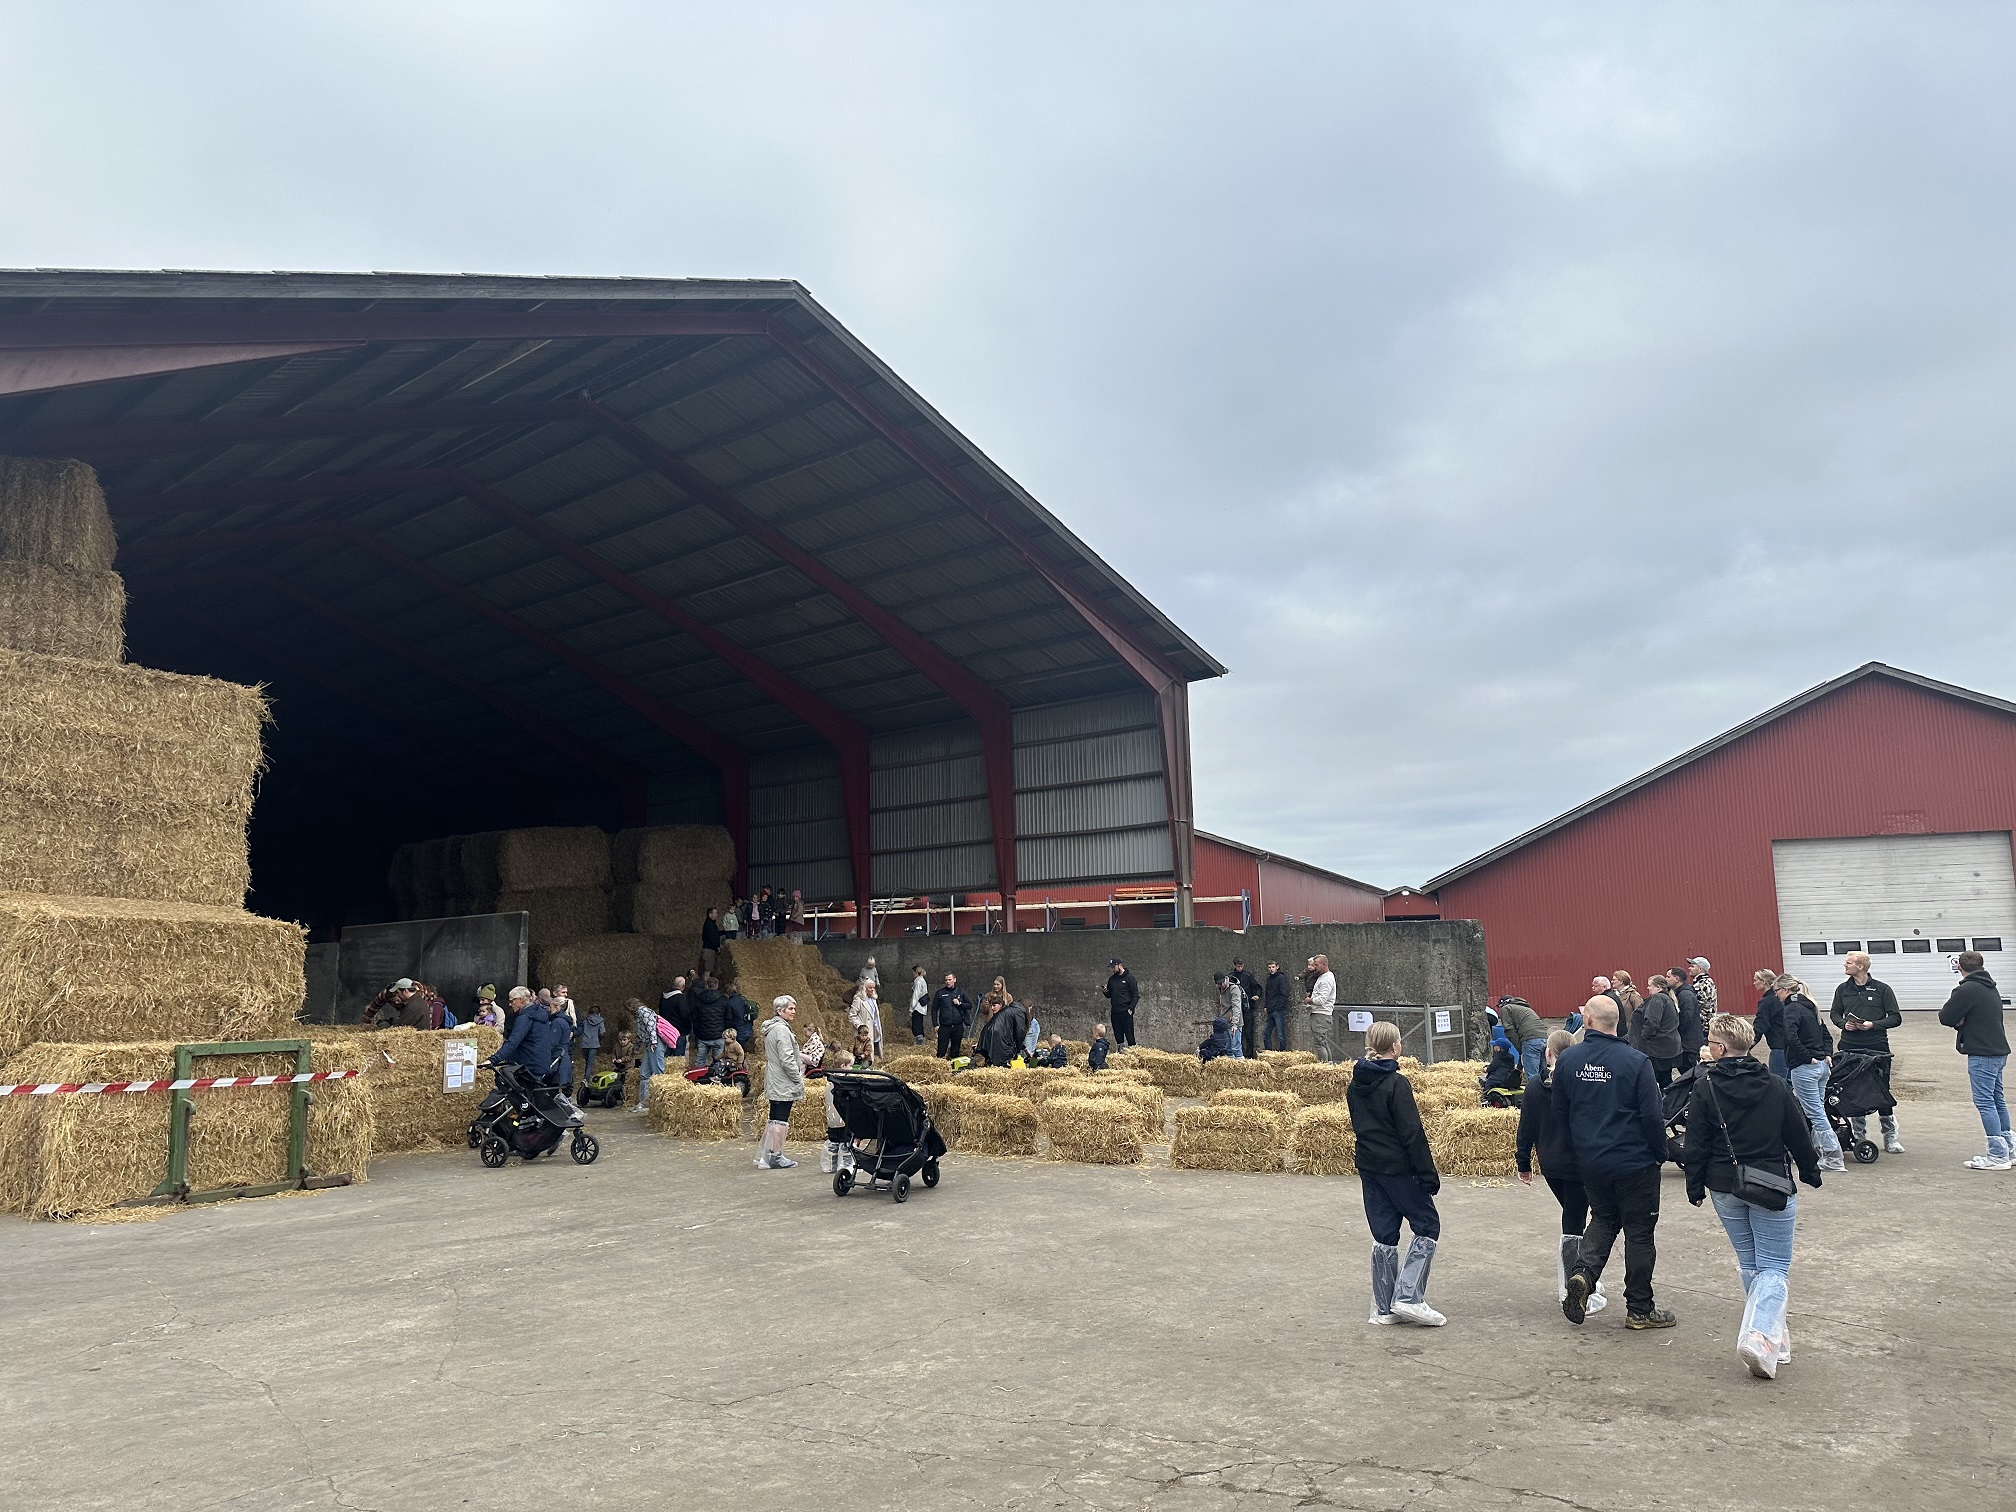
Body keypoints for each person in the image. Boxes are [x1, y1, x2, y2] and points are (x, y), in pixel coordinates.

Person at [1683, 1013, 1824, 1379]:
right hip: (1771, 1183)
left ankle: (1773, 1339)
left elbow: (1696, 1141)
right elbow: (1797, 1131)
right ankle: (1762, 1337)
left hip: (1724, 1184)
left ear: (1720, 1047)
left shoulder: (1705, 1085)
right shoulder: (1775, 1084)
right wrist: (1809, 1170)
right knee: (1774, 1267)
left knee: (1751, 1263)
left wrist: (1695, 1184)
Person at [1554, 996, 1674, 1330]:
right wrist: (1660, 1152)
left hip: (1592, 1160)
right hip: (1634, 1161)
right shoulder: (1636, 1061)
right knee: (1639, 1232)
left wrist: (1577, 1152)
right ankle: (1639, 1308)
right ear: (1617, 1022)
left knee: (1604, 1219)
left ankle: (1582, 1275)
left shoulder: (1568, 1060)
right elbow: (1653, 1115)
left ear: (1588, 1022)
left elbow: (1561, 1114)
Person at [1349, 1020, 1446, 1327]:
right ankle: (1408, 1297)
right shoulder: (1396, 1083)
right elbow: (1411, 1132)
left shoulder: (1355, 1084)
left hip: (1369, 1164)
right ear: (1394, 1047)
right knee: (1427, 1224)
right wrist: (1427, 1173)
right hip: (1398, 1167)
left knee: (1384, 1232)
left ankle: (1383, 1306)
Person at [1517, 1028, 1609, 1316]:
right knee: (1575, 1222)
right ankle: (1572, 1285)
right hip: (1579, 1164)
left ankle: (1583, 1273)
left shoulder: (1534, 1086)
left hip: (1551, 1164)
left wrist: (1523, 1162)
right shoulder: (1579, 1085)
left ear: (1548, 1053)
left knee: (1574, 1217)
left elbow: (1526, 1128)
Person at [1938, 949, 2011, 1170]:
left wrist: (1960, 1021)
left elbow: (1945, 1016)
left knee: (1985, 1102)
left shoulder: (1966, 990)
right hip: (1998, 1050)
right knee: (1997, 1099)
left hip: (1982, 1053)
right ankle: (2008, 1148)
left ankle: (1997, 1156)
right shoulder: (1991, 987)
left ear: (1959, 967)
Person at [1831, 950, 1904, 1154]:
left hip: (1877, 1047)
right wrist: (1844, 1024)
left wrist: (1873, 1024)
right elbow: (1835, 1013)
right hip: (1849, 1047)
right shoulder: (1842, 989)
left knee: (1881, 1090)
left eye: (1849, 963)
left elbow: (1895, 1017)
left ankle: (1890, 1137)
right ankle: (1860, 1137)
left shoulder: (1882, 989)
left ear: (1861, 966)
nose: (1845, 966)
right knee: (1853, 1091)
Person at [1776, 973, 1845, 1173]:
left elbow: (1790, 1035)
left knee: (1815, 1113)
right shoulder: (1811, 1006)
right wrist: (1826, 1053)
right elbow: (1825, 1033)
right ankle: (1818, 1150)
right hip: (1821, 1065)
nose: (1778, 996)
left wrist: (1805, 1056)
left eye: (1778, 991)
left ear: (1786, 990)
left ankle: (1833, 1157)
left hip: (1805, 1067)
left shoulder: (1791, 1008)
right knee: (1816, 1110)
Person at [757, 995, 804, 1170]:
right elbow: (787, 1059)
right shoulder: (781, 1030)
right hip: (782, 1080)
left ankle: (770, 1154)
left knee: (775, 1118)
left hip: (775, 1078)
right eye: (790, 1009)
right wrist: (797, 1079)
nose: (794, 1011)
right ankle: (775, 1156)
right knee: (781, 1119)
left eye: (794, 1008)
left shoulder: (773, 1028)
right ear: (780, 1010)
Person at [1629, 974, 1682, 1087]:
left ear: (1658, 988)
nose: (1647, 988)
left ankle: (1665, 1101)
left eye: (1650, 986)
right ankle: (1668, 1100)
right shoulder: (1668, 998)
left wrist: (1643, 1037)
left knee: (1658, 1079)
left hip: (1657, 1048)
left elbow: (1652, 1022)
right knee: (1665, 1077)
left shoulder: (1657, 999)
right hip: (1666, 1046)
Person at [1493, 994, 1547, 1087]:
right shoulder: (1525, 1008)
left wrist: (1520, 1048)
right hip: (1545, 1038)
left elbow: (1509, 1030)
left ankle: (1534, 1099)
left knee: (1532, 1076)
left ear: (1502, 1004)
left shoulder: (1506, 1008)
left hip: (1530, 1039)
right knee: (1544, 1074)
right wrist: (1519, 1067)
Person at [820, 1048, 857, 1173]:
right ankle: (848, 1166)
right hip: (844, 1119)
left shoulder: (830, 1081)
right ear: (843, 1066)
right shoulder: (844, 1083)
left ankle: (831, 1165)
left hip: (832, 1120)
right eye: (850, 1066)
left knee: (834, 1143)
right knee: (847, 1143)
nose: (852, 1069)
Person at [975, 991, 1028, 1068]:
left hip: (989, 1033)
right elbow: (1020, 1031)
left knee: (991, 1059)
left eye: (994, 1005)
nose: (992, 1008)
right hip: (996, 1035)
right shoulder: (1018, 1012)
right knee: (1001, 1061)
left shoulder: (1006, 1011)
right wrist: (1019, 1048)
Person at [1669, 964, 1706, 1072]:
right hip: (1686, 1042)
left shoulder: (1685, 995)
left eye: (1668, 977)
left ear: (1676, 979)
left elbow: (1687, 1018)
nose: (1666, 979)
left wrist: (1677, 1031)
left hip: (1689, 1044)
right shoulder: (1679, 993)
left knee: (1690, 1072)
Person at [1753, 969, 1789, 1079]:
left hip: (1778, 1046)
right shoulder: (1780, 998)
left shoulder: (1767, 1002)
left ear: (1763, 982)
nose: (1754, 983)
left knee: (1779, 1081)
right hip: (1790, 1044)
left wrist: (1747, 1044)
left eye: (1756, 980)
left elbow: (1761, 1025)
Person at [688, 974, 729, 1070]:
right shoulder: (724, 1000)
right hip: (718, 1035)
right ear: (717, 986)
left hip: (702, 1036)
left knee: (700, 1061)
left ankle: (698, 1081)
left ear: (706, 985)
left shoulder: (698, 999)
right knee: (718, 1062)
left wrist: (697, 1033)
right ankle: (716, 1082)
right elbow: (728, 1018)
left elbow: (695, 1018)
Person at [633, 994, 665, 1113]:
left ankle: (659, 1102)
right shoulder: (640, 1014)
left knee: (657, 1072)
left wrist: (653, 1042)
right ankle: (645, 1102)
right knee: (644, 1073)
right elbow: (641, 1032)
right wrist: (636, 1047)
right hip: (650, 1043)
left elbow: (651, 1026)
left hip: (654, 1043)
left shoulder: (643, 1012)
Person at [930, 973, 972, 1060]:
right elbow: (934, 1009)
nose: (948, 982)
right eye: (946, 980)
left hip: (957, 1026)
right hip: (945, 1026)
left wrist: (960, 1003)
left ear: (954, 980)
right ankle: (940, 1069)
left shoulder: (961, 992)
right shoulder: (940, 993)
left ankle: (954, 1071)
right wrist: (935, 1024)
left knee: (955, 1052)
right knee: (941, 1052)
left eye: (950, 980)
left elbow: (969, 1005)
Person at [1308, 954, 1338, 1063]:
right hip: (1321, 1013)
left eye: (1316, 965)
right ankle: (1329, 1065)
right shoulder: (1323, 977)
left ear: (1324, 965)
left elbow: (1322, 1000)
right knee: (1323, 1042)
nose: (1314, 967)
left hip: (1321, 1014)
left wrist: (1310, 1000)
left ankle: (1324, 1066)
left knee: (1319, 1043)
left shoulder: (1327, 979)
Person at [1103, 959, 1139, 1049]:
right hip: (1115, 1012)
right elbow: (1109, 995)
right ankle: (1121, 1054)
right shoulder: (1112, 979)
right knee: (1118, 1037)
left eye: (1113, 967)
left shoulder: (1130, 978)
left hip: (1126, 1011)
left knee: (1130, 1036)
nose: (1112, 970)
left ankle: (1133, 1053)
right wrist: (1105, 992)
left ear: (1119, 965)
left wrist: (1131, 1008)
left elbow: (1135, 995)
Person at [1231, 958, 1263, 1060]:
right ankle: (1239, 1054)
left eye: (1241, 966)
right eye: (1238, 966)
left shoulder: (1248, 975)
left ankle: (1249, 1054)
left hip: (1247, 1008)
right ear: (1235, 966)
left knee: (1248, 1032)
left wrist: (1257, 995)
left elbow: (1257, 986)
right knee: (1237, 1033)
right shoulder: (1231, 976)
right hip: (1236, 1009)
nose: (1240, 968)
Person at [848, 979, 882, 1064]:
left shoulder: (873, 1000)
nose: (872, 990)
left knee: (869, 1048)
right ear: (865, 988)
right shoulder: (858, 999)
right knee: (860, 1051)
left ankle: (870, 1066)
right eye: (870, 988)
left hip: (873, 1028)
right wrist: (860, 1026)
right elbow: (852, 1015)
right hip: (862, 1031)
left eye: (873, 988)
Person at [1214, 973, 1246, 1058]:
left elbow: (1237, 1006)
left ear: (1225, 979)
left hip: (1234, 1022)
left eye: (1222, 982)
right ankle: (1231, 1066)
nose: (1221, 985)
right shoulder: (1220, 990)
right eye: (1219, 984)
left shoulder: (1234, 988)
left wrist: (1235, 1023)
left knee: (1235, 1047)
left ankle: (1240, 1063)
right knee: (1228, 1048)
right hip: (1225, 1022)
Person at [1263, 960, 1292, 1052]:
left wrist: (1278, 1007)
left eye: (1273, 967)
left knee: (1280, 1034)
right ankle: (1269, 1052)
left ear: (1277, 967)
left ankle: (1282, 1052)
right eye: (1269, 967)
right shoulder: (1269, 979)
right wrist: (1266, 1006)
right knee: (1266, 1033)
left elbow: (1284, 993)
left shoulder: (1281, 978)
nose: (1271, 969)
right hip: (1270, 1009)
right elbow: (1267, 994)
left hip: (1278, 1010)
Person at [578, 1006, 605, 1088]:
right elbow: (602, 1032)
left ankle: (586, 1078)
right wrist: (599, 1039)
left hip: (585, 1043)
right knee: (589, 1063)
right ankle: (586, 1079)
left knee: (586, 1062)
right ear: (598, 1013)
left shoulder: (585, 1020)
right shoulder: (600, 1021)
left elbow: (580, 1030)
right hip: (594, 1044)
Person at [1689, 957, 1720, 1022]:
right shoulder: (1709, 981)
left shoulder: (1701, 984)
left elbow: (1694, 1005)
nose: (1689, 968)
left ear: (1700, 969)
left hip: (1702, 1025)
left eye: (1692, 966)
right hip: (1709, 1022)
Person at [908, 965, 929, 1045]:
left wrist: (911, 1009)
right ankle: (922, 1041)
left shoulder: (918, 981)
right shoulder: (922, 980)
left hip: (917, 1007)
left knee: (916, 1026)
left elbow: (915, 995)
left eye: (913, 972)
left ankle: (919, 1043)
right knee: (919, 1024)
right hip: (921, 1007)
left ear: (916, 972)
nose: (912, 974)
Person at [700, 907, 723, 976]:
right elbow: (712, 937)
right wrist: (717, 946)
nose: (716, 915)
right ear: (710, 914)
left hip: (710, 950)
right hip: (709, 950)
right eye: (715, 913)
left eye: (716, 913)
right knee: (708, 971)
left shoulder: (711, 924)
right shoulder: (709, 924)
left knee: (709, 970)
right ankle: (706, 986)